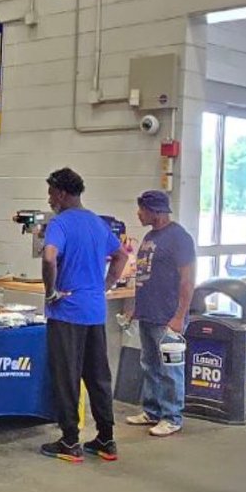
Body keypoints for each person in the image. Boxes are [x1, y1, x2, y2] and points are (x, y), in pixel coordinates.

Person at [39, 167, 130, 463]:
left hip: (67, 313)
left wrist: (51, 290)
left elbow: (49, 256)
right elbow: (121, 256)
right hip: (94, 312)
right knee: (98, 376)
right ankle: (106, 438)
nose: (50, 198)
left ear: (62, 194)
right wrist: (103, 286)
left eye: (52, 192)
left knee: (67, 377)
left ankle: (69, 441)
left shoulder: (60, 224)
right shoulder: (97, 223)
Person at [125, 190, 196, 438]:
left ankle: (172, 417)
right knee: (150, 365)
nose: (138, 213)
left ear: (155, 211)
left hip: (168, 316)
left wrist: (179, 316)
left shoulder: (179, 238)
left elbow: (188, 281)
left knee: (170, 369)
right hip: (148, 313)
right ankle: (152, 411)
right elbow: (144, 275)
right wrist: (136, 307)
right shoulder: (148, 237)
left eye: (142, 209)